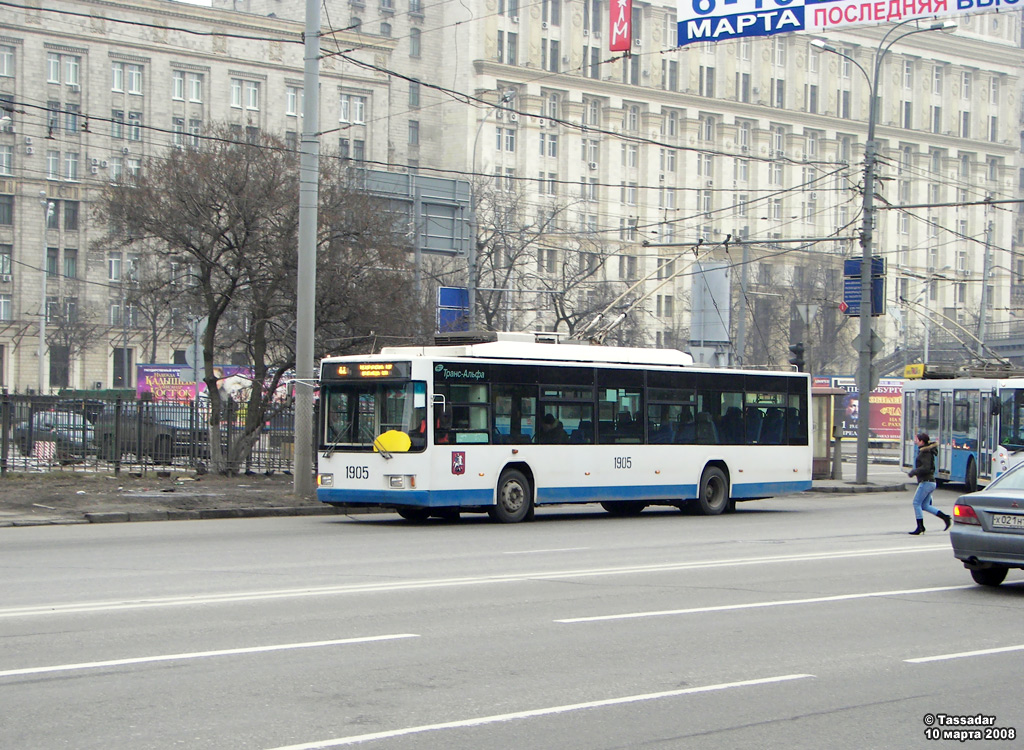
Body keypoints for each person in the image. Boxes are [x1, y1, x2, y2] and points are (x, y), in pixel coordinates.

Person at [906, 432, 951, 535]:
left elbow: (925, 468)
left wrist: (914, 471)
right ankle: (946, 518)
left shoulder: (925, 452)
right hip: (930, 482)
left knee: (916, 503)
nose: (915, 441)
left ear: (921, 441)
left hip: (926, 482)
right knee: (925, 505)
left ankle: (920, 527)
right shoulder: (925, 451)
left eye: (917, 439)